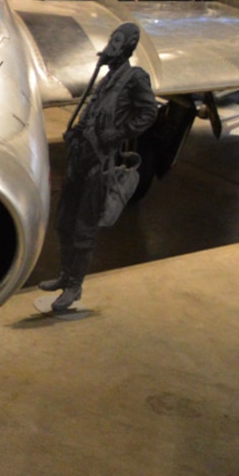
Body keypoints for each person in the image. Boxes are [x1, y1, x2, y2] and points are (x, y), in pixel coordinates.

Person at [42, 22, 161, 313]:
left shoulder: (134, 77)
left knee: (84, 226)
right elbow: (93, 112)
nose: (111, 45)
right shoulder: (106, 80)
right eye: (112, 39)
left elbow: (149, 112)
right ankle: (65, 275)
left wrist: (119, 133)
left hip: (100, 163)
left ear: (127, 47)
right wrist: (76, 132)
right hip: (79, 158)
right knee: (64, 221)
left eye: (117, 41)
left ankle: (74, 286)